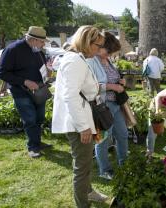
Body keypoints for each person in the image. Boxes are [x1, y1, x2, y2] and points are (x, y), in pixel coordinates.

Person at [51, 25, 109, 207]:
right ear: (86, 42)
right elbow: (71, 96)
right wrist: (83, 126)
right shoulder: (75, 61)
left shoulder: (78, 59)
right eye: (97, 46)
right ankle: (83, 204)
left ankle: (89, 192)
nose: (100, 50)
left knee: (84, 163)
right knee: (81, 167)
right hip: (79, 122)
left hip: (83, 117)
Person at [0, 26, 52, 158]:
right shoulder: (12, 49)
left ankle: (37, 142)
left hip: (38, 90)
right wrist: (25, 81)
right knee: (30, 119)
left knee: (39, 117)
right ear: (33, 39)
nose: (43, 44)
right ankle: (33, 147)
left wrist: (47, 71)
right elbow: (1, 73)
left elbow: (42, 67)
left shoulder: (38, 50)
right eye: (42, 41)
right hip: (21, 91)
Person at [86, 31, 128, 180]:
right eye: (108, 51)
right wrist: (112, 86)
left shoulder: (108, 61)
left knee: (122, 134)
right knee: (103, 139)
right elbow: (90, 86)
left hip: (115, 105)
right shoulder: (91, 61)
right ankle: (105, 170)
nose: (109, 55)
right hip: (102, 106)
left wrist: (120, 81)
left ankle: (124, 163)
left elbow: (114, 76)